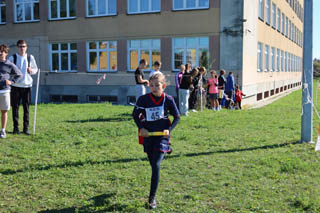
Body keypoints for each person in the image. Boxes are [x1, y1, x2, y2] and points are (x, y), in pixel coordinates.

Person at [132, 73, 180, 209]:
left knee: (156, 164)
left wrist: (169, 129)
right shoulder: (143, 99)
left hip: (162, 137)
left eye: (157, 85)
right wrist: (141, 128)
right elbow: (135, 114)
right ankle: (165, 150)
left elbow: (177, 117)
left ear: (163, 86)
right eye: (151, 85)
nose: (154, 88)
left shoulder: (169, 100)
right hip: (148, 136)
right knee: (152, 163)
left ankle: (151, 198)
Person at [9, 40, 38, 135]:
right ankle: (15, 128)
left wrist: (31, 70)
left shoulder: (30, 57)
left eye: (24, 46)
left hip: (27, 86)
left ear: (26, 47)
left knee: (26, 108)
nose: (22, 48)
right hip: (15, 86)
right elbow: (7, 69)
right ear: (17, 47)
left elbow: (35, 69)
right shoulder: (12, 58)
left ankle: (26, 129)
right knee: (15, 108)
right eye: (20, 46)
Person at [0, 44, 22, 138]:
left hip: (4, 91)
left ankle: (3, 131)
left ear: (6, 53)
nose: (0, 53)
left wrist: (11, 81)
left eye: (2, 51)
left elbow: (19, 74)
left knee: (4, 111)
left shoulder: (9, 64)